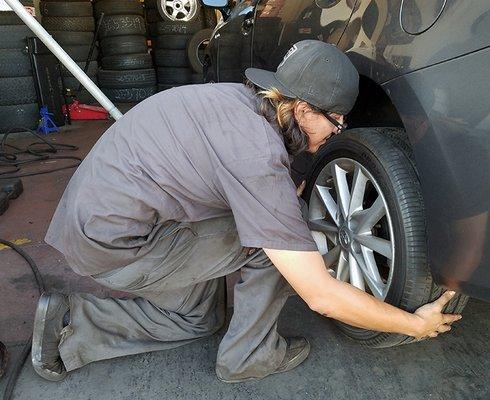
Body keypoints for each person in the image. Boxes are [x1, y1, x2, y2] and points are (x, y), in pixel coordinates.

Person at [32, 40, 462, 384]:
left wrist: (276, 196)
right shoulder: (257, 157)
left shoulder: (235, 101)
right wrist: (411, 325)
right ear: (303, 109)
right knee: (284, 240)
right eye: (335, 121)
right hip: (120, 246)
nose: (337, 132)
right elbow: (320, 295)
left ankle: (70, 323)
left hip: (95, 223)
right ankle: (249, 358)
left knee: (200, 320)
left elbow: (213, 169)